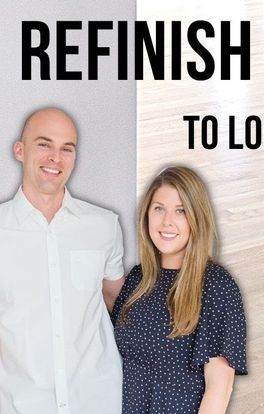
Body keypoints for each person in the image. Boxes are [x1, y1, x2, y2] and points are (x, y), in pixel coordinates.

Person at [0, 108, 126, 413]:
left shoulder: (104, 225)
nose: (55, 157)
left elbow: (117, 302)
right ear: (20, 150)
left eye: (66, 148)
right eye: (44, 144)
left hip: (97, 401)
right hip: (20, 404)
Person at [112, 166, 247, 414]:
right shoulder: (138, 279)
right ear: (147, 215)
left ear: (197, 218)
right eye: (159, 208)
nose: (167, 222)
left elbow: (220, 386)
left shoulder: (217, 286)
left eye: (181, 211)